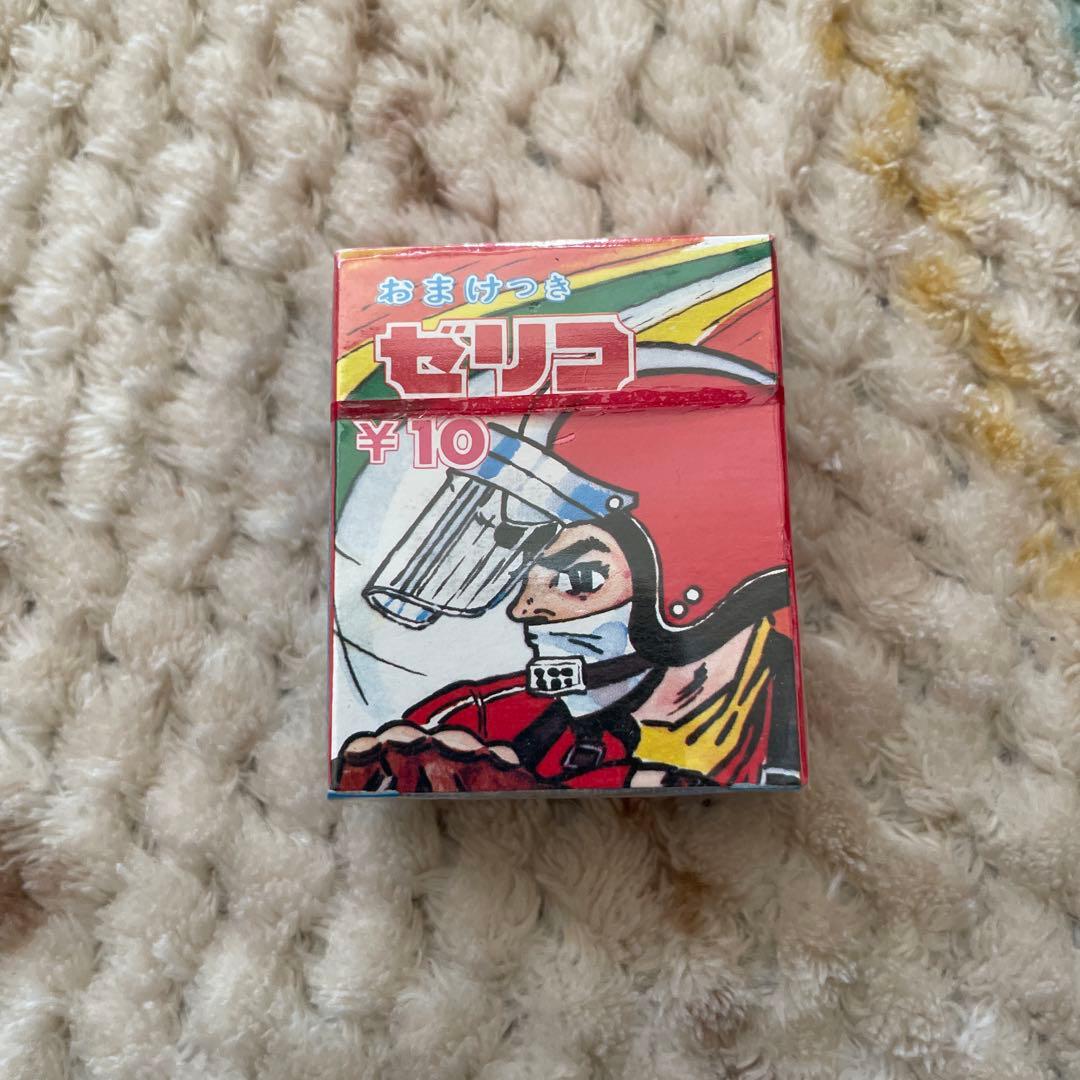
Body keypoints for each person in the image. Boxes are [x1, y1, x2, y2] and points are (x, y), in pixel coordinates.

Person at [333, 355, 803, 793]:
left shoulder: (794, 721)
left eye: (580, 579)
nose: (522, 610)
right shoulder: (482, 725)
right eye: (525, 571)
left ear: (695, 591)